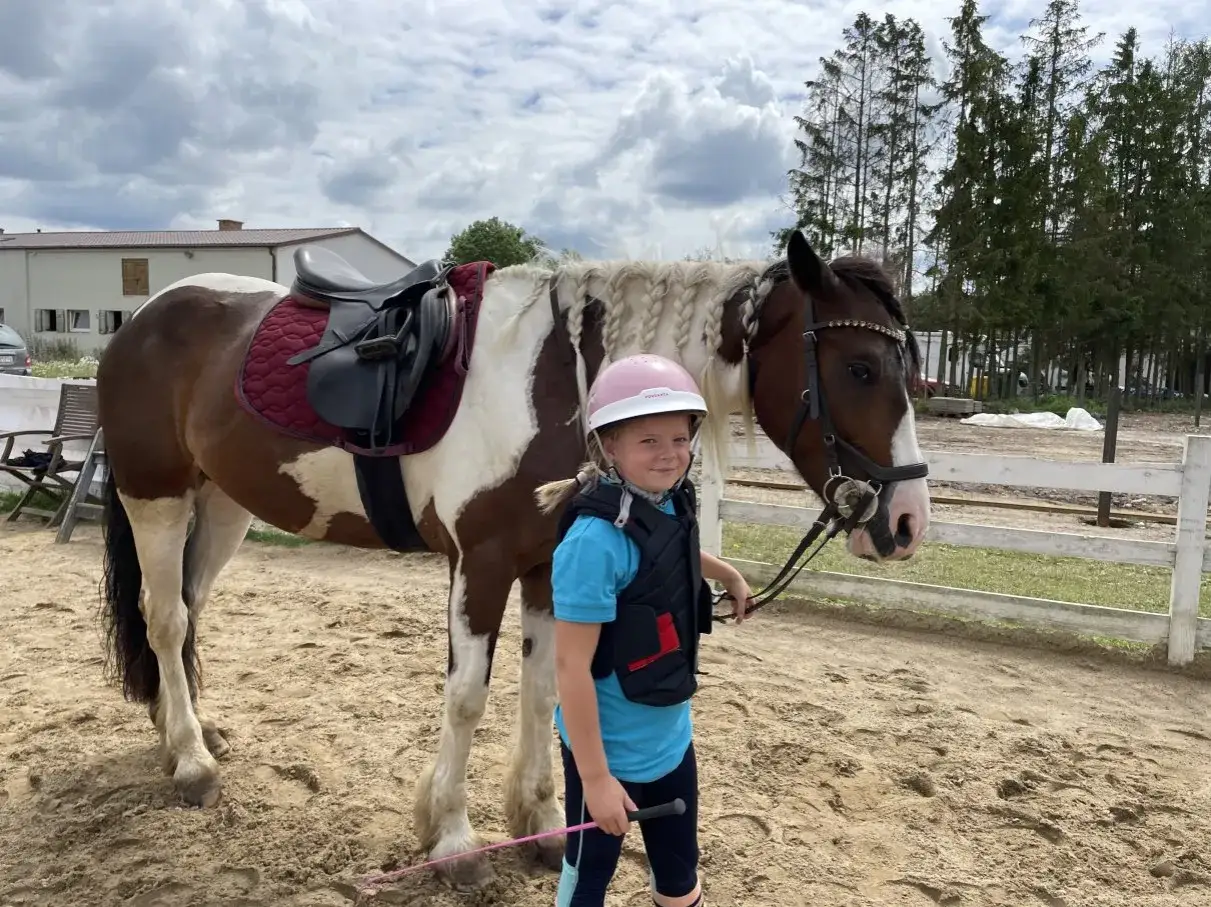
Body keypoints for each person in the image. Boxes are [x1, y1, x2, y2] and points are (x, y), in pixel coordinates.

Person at [534, 353, 753, 907]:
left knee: (679, 877)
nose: (669, 454)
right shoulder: (590, 545)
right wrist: (597, 780)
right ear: (610, 446)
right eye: (648, 441)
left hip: (671, 741)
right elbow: (570, 667)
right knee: (588, 881)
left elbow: (667, 548)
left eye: (679, 439)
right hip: (608, 755)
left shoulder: (670, 502)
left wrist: (725, 572)